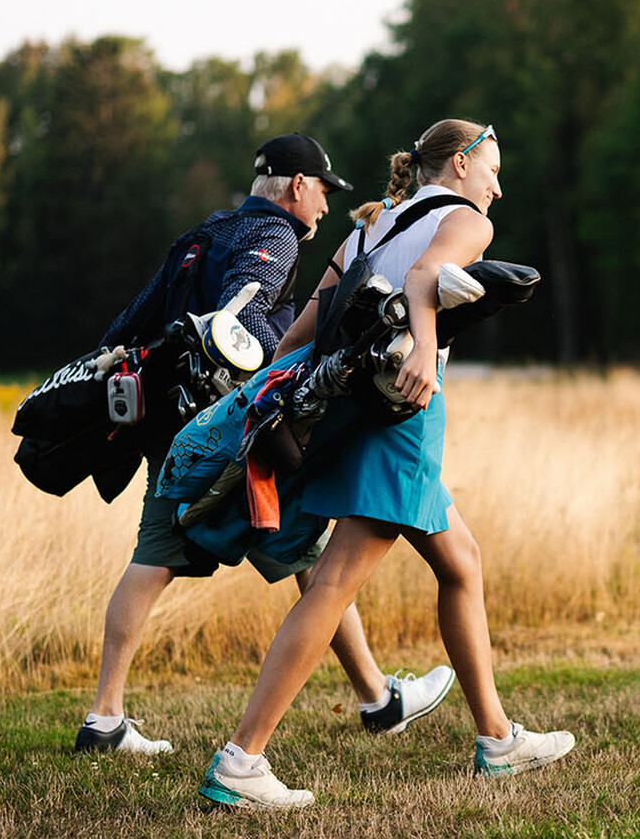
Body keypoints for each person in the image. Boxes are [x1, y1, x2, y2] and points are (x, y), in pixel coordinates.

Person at [198, 119, 576, 809]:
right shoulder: (465, 219)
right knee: (336, 581)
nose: (499, 182)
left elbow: (312, 313)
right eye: (492, 165)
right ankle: (241, 760)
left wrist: (264, 386)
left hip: (353, 404)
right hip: (403, 406)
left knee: (461, 562)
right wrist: (427, 351)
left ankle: (497, 738)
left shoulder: (372, 225)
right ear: (460, 164)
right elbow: (430, 277)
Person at [74, 133, 454, 755]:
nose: (328, 208)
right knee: (311, 553)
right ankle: (375, 701)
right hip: (228, 430)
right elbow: (242, 326)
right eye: (324, 192)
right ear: (297, 186)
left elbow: (129, 323)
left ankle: (105, 717)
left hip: (171, 427)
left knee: (174, 556)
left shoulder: (206, 231)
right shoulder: (274, 238)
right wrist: (287, 364)